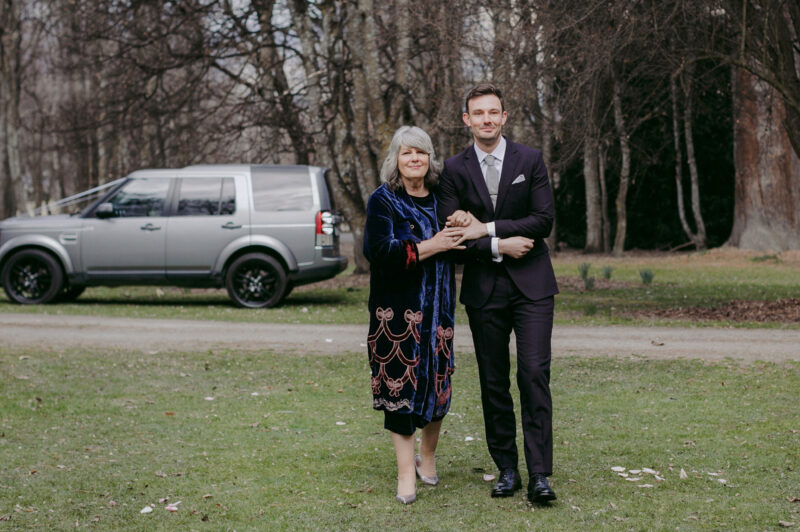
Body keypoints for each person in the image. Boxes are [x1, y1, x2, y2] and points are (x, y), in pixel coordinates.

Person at [437, 83, 560, 503]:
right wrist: (498, 245)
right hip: (483, 288)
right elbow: (452, 235)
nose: (486, 119)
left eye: (493, 112)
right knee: (493, 380)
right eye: (478, 113)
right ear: (466, 120)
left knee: (533, 373)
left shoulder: (530, 159)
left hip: (533, 286)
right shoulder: (453, 170)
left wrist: (485, 228)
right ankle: (507, 468)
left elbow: (543, 220)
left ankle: (540, 474)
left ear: (504, 117)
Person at [363, 125, 471, 505]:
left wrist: (461, 223)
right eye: (407, 152)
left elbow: (461, 243)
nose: (414, 159)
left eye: (421, 152)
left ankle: (429, 456)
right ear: (396, 159)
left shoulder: (442, 198)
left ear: (430, 159)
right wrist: (432, 245)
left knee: (438, 386)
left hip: (439, 313)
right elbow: (379, 252)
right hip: (397, 316)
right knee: (400, 390)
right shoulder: (383, 200)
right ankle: (405, 471)